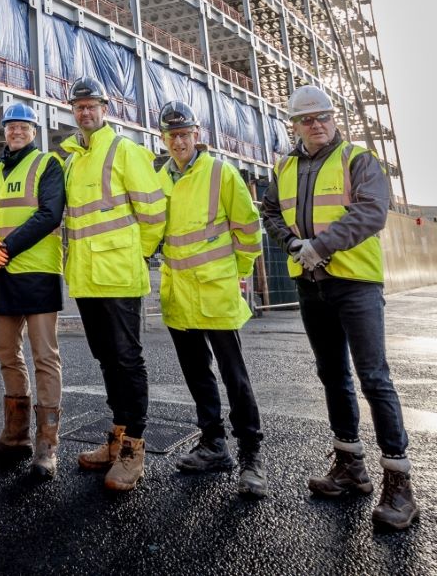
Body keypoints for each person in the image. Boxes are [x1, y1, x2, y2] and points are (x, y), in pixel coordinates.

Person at [261, 85, 418, 531]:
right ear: (293, 125)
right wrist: (293, 244)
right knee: (332, 374)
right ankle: (350, 465)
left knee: (374, 377)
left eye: (323, 116)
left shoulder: (358, 160)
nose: (316, 124)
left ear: (334, 118)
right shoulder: (285, 165)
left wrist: (320, 246)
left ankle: (400, 484)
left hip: (355, 283)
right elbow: (269, 212)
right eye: (306, 119)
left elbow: (371, 212)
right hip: (311, 286)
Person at [153, 100, 268, 497]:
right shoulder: (160, 178)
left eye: (185, 134)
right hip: (178, 295)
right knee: (197, 375)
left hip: (216, 292)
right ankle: (213, 444)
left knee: (236, 378)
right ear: (163, 139)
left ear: (196, 135)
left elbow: (248, 230)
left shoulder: (221, 173)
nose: (179, 141)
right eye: (172, 135)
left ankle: (251, 456)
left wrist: (239, 273)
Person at [60, 77, 167, 493]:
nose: (85, 112)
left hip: (119, 276)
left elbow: (154, 211)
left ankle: (133, 448)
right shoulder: (72, 160)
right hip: (87, 279)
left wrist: (135, 252)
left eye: (91, 105)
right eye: (78, 106)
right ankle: (118, 435)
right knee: (105, 358)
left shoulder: (125, 150)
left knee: (126, 359)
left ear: (105, 108)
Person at [0, 102, 66, 479]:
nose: (16, 132)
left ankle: (47, 445)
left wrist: (5, 247)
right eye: (11, 126)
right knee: (6, 355)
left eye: (23, 126)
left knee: (44, 357)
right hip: (0, 273)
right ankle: (15, 436)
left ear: (34, 131)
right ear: (4, 131)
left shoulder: (47, 164)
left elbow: (50, 214)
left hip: (38, 273)